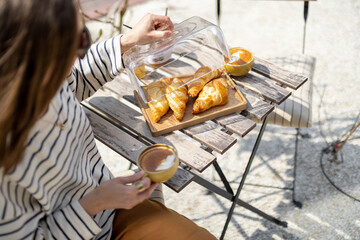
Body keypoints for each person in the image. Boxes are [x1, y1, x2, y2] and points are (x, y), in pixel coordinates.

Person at [0, 0, 217, 239]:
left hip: (114, 214)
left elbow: (77, 78)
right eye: (77, 44)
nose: (81, 53)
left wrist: (128, 41)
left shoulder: (50, 81)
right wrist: (93, 203)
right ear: (29, 62)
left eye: (83, 36)